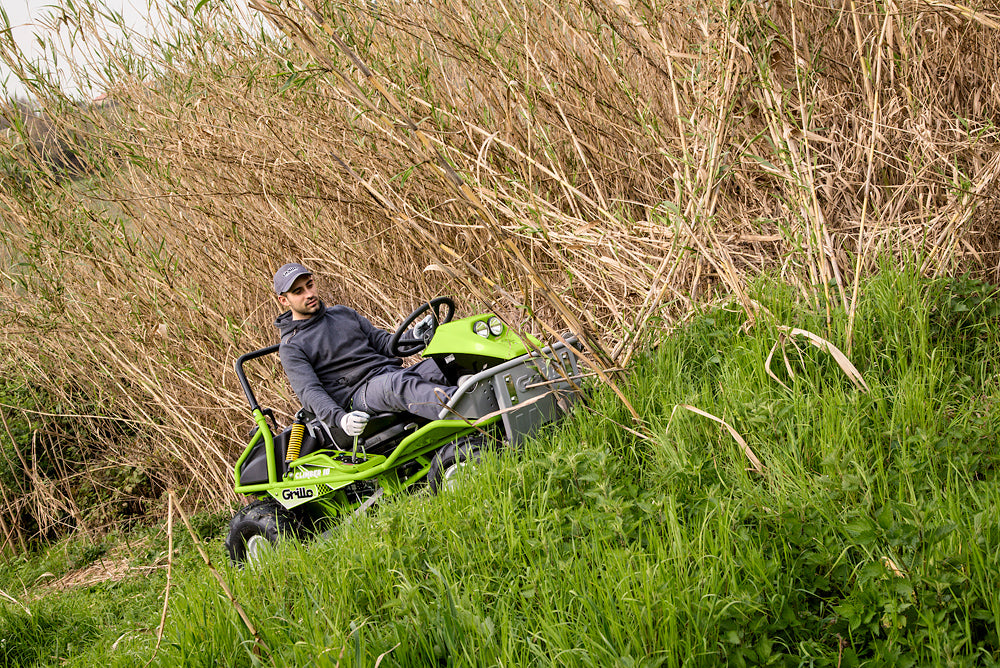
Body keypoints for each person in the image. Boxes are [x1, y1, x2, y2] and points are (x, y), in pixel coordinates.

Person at [272, 262, 456, 437]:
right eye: (298, 292)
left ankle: (475, 398)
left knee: (449, 361)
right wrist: (339, 418)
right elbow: (310, 392)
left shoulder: (342, 313)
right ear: (284, 300)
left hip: (389, 373)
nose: (309, 294)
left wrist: (414, 336)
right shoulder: (292, 346)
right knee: (396, 385)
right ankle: (471, 413)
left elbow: (385, 344)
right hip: (357, 395)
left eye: (309, 285)